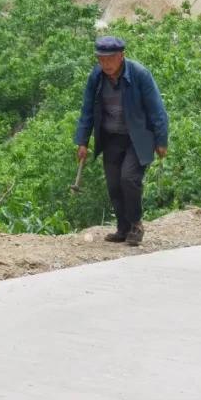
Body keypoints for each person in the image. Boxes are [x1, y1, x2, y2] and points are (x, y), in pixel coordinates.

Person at [74, 35, 169, 245]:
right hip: (111, 137)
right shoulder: (96, 77)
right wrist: (82, 141)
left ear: (121, 56)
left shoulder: (139, 74)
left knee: (129, 179)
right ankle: (123, 228)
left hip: (138, 137)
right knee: (114, 184)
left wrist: (161, 141)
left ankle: (136, 224)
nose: (105, 64)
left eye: (110, 59)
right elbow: (87, 111)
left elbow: (157, 110)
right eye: (101, 59)